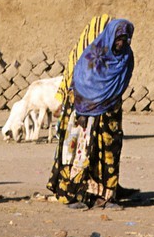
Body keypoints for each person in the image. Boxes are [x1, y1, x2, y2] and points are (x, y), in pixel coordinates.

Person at [47, 16, 135, 207]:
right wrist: (85, 110)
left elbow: (121, 84)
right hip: (84, 112)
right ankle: (75, 195)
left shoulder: (126, 58)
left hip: (110, 114)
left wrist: (107, 102)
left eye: (125, 39)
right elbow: (83, 82)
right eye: (118, 38)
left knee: (108, 155)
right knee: (81, 152)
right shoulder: (92, 56)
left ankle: (105, 196)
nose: (121, 43)